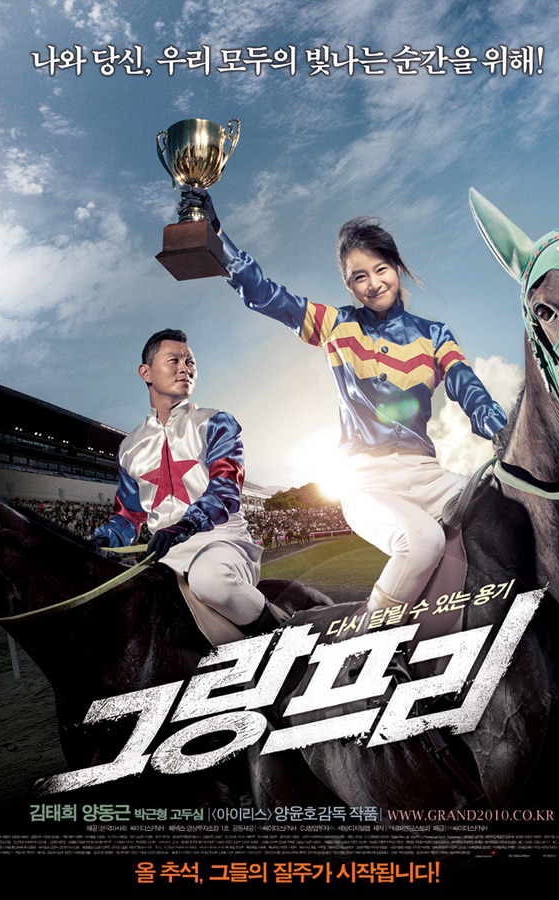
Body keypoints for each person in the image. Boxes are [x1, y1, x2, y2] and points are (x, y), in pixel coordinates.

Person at [178, 188, 506, 613]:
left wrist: (497, 426)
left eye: (381, 269)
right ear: (348, 285)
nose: (373, 284)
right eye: (359, 277)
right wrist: (218, 236)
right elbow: (266, 294)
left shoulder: (436, 335)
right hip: (366, 480)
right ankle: (371, 637)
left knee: (505, 510)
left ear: (398, 267)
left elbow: (466, 385)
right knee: (422, 542)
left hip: (428, 474)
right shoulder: (335, 324)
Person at [92, 328, 280, 634]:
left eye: (190, 362)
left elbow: (225, 489)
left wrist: (186, 525)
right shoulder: (129, 447)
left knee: (210, 581)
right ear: (146, 372)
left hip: (221, 542)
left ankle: (283, 636)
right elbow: (128, 516)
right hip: (163, 555)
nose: (185, 368)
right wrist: (103, 540)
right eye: (174, 360)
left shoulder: (216, 422)